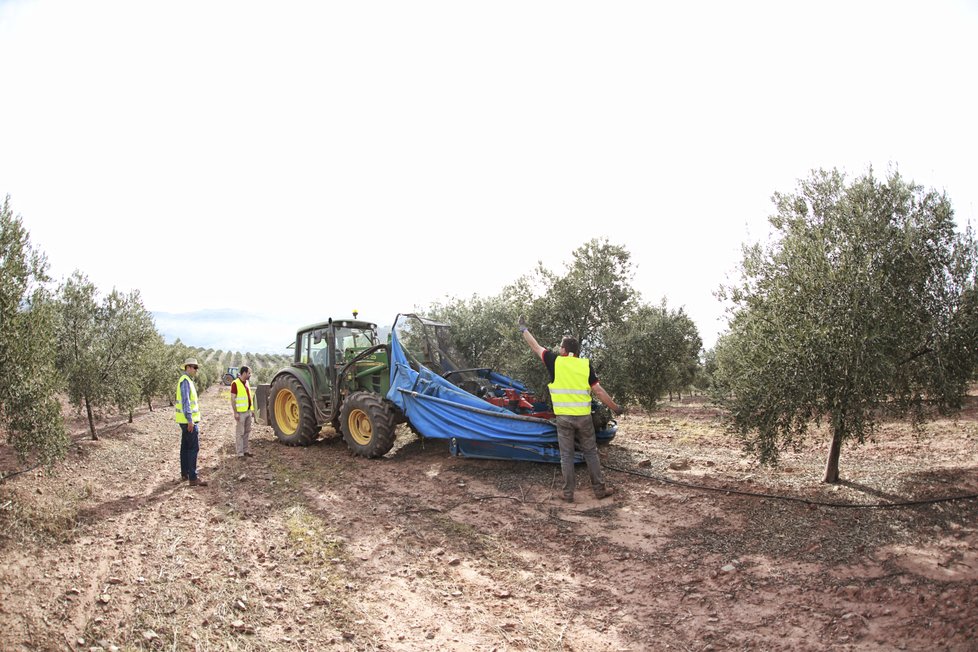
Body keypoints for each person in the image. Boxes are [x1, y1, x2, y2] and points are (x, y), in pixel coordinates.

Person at [519, 315, 623, 503]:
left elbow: (535, 346)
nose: (559, 349)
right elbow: (598, 391)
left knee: (566, 455)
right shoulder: (585, 365)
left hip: (564, 419)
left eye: (560, 346)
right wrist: (615, 407)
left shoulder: (555, 361)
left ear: (564, 350)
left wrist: (523, 329)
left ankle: (568, 494)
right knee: (591, 452)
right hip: (584, 418)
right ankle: (599, 490)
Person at [175, 358, 207, 486]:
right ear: (188, 367)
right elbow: (186, 402)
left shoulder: (186, 380)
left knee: (185, 447)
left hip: (184, 421)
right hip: (188, 421)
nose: (196, 370)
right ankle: (193, 478)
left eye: (196, 367)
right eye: (194, 367)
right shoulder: (185, 382)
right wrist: (190, 420)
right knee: (193, 448)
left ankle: (185, 473)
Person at [230, 366, 255, 458]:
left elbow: (249, 397)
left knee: (247, 432)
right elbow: (233, 399)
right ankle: (240, 453)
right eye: (249, 373)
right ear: (244, 373)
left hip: (248, 412)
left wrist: (251, 410)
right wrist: (235, 412)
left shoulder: (247, 382)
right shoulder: (235, 383)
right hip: (240, 413)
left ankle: (245, 451)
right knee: (240, 433)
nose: (250, 375)